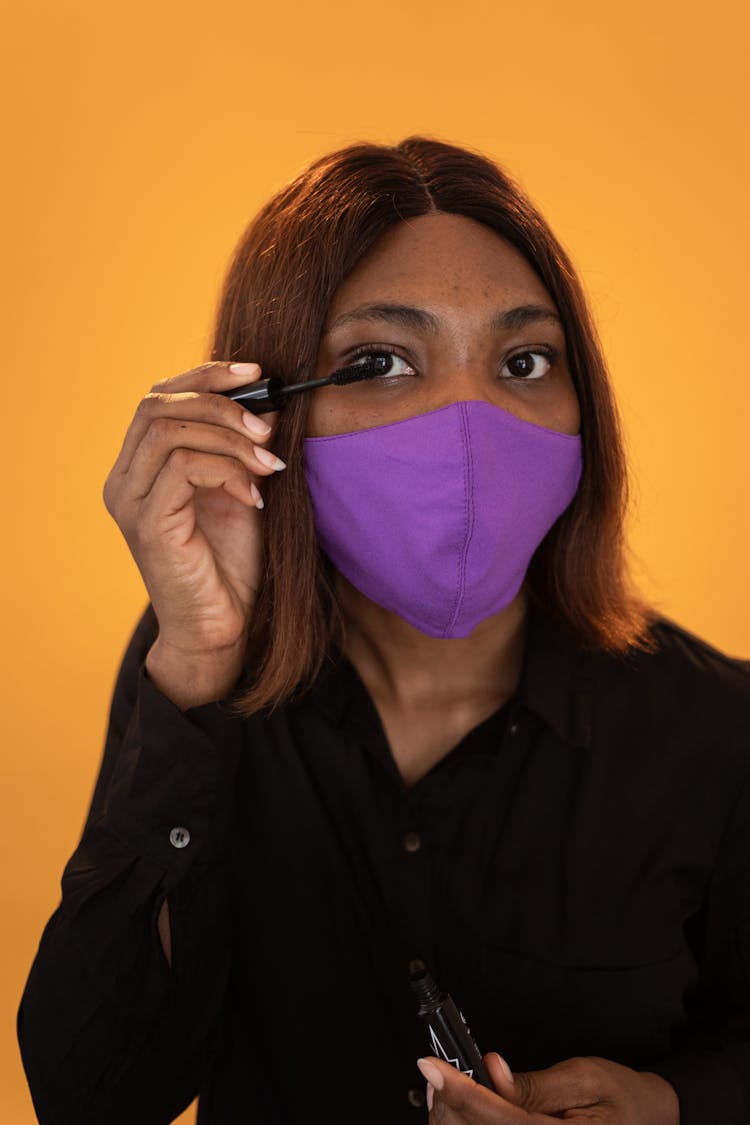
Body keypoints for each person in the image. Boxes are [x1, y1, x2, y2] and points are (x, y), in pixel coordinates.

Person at [17, 137, 750, 1125]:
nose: (468, 419)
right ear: (258, 419)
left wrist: (672, 1105)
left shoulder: (716, 729)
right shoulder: (203, 677)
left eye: (523, 360)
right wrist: (190, 662)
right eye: (380, 362)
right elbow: (94, 1091)